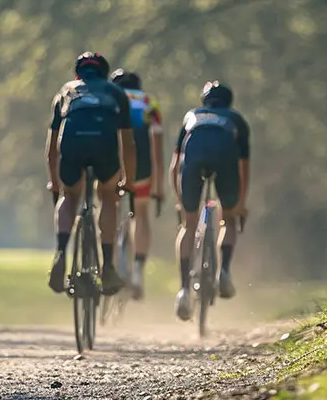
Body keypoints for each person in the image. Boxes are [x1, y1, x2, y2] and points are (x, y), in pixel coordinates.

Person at [46, 52, 138, 296]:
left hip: (71, 145)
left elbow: (52, 147)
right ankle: (107, 266)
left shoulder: (66, 90)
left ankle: (61, 253)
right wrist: (128, 181)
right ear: (104, 73)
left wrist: (56, 185)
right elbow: (128, 143)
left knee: (69, 196)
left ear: (78, 74)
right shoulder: (116, 93)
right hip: (104, 146)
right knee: (108, 196)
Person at [170, 81, 251, 321]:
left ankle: (184, 289)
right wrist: (239, 205)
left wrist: (180, 201)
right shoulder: (236, 120)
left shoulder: (192, 115)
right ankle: (223, 272)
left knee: (189, 225)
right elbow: (243, 166)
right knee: (227, 218)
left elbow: (175, 165)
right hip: (225, 159)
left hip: (193, 160)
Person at [109, 67, 164, 299]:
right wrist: (159, 187)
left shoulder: (108, 97)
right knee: (141, 212)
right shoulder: (149, 102)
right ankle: (138, 271)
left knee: (108, 205)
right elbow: (157, 149)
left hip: (111, 157)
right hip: (141, 159)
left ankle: (107, 266)